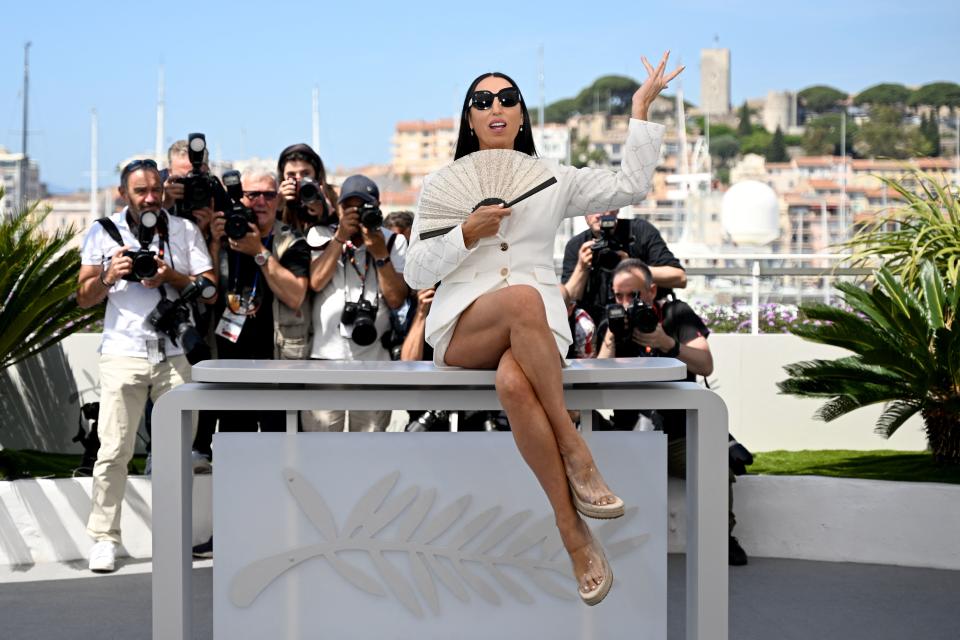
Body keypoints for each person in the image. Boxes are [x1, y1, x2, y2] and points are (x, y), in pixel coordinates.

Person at [404, 53, 682, 605]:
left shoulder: (553, 178)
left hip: (534, 338)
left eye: (508, 98)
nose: (496, 107)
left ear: (523, 115)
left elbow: (631, 184)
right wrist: (465, 232)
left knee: (514, 383)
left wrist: (642, 111)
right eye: (481, 102)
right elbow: (414, 270)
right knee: (528, 295)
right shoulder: (442, 184)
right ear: (469, 119)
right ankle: (576, 449)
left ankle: (572, 533)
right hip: (465, 329)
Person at [77, 158, 216, 572]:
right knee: (113, 450)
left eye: (156, 189)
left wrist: (171, 276)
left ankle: (174, 536)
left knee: (179, 453)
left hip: (173, 354)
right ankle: (104, 538)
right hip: (123, 353)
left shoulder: (184, 230)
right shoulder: (103, 233)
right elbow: (82, 296)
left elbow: (208, 291)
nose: (151, 197)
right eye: (141, 191)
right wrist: (108, 275)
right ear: (124, 194)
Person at [594, 259, 747, 565]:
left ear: (651, 291)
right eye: (618, 296)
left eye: (633, 295)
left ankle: (721, 537)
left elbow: (705, 364)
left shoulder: (677, 315)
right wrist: (611, 336)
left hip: (678, 434)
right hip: (628, 436)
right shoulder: (610, 323)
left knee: (714, 466)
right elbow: (596, 379)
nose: (625, 304)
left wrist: (667, 343)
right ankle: (605, 543)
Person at [303, 175, 409, 432]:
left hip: (375, 363)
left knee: (369, 447)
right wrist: (340, 238)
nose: (355, 213)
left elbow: (396, 299)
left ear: (377, 207)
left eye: (361, 207)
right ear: (337, 208)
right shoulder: (321, 235)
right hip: (325, 359)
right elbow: (315, 282)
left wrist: (380, 254)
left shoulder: (393, 241)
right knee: (321, 445)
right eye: (347, 207)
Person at [561, 208, 687, 327]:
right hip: (597, 327)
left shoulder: (639, 231)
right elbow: (567, 302)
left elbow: (680, 278)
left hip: (642, 322)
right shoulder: (577, 245)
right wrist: (582, 268)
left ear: (617, 207)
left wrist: (632, 267)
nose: (599, 214)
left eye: (604, 205)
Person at [277, 143, 337, 236]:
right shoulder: (275, 199)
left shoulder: (334, 195)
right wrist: (277, 207)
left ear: (316, 174)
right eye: (291, 175)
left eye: (305, 173)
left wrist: (327, 214)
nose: (299, 178)